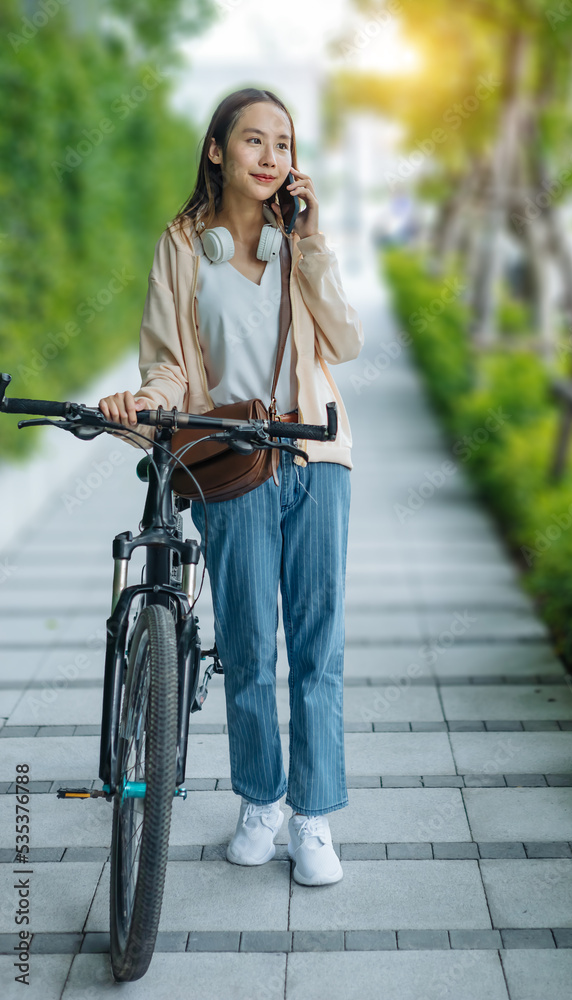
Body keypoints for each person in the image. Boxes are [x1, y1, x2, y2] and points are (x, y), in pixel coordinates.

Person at [99, 87, 364, 886]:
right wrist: (142, 402)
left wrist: (311, 245)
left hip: (315, 455)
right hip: (234, 459)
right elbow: (168, 363)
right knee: (249, 647)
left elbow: (345, 340)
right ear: (217, 150)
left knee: (317, 648)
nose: (270, 156)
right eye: (254, 141)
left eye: (282, 145)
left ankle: (312, 818)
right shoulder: (183, 244)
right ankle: (262, 800)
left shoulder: (298, 242)